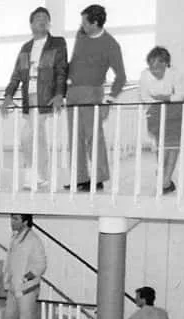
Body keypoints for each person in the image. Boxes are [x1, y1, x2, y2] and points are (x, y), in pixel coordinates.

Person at [1, 7, 68, 190]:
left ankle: (32, 174)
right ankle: (41, 176)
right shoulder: (26, 47)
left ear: (49, 23)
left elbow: (62, 70)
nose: (42, 20)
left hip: (45, 96)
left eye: (45, 18)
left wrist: (59, 94)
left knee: (28, 135)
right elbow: (16, 74)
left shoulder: (57, 43)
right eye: (38, 18)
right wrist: (8, 95)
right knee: (38, 137)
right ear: (31, 24)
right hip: (28, 96)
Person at [66, 4, 126, 192]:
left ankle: (98, 177)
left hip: (92, 93)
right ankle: (80, 177)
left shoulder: (111, 44)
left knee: (94, 137)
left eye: (84, 22)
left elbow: (121, 77)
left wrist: (109, 100)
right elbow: (74, 61)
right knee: (74, 138)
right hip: (72, 91)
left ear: (95, 23)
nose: (81, 24)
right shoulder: (80, 35)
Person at [138, 46, 184, 195]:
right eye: (151, 67)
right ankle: (164, 175)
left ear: (166, 64)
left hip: (178, 107)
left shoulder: (176, 74)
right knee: (161, 143)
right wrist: (159, 101)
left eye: (157, 68)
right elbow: (144, 97)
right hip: (157, 107)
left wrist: (165, 98)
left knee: (173, 143)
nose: (153, 71)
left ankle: (165, 179)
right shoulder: (145, 75)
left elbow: (180, 95)